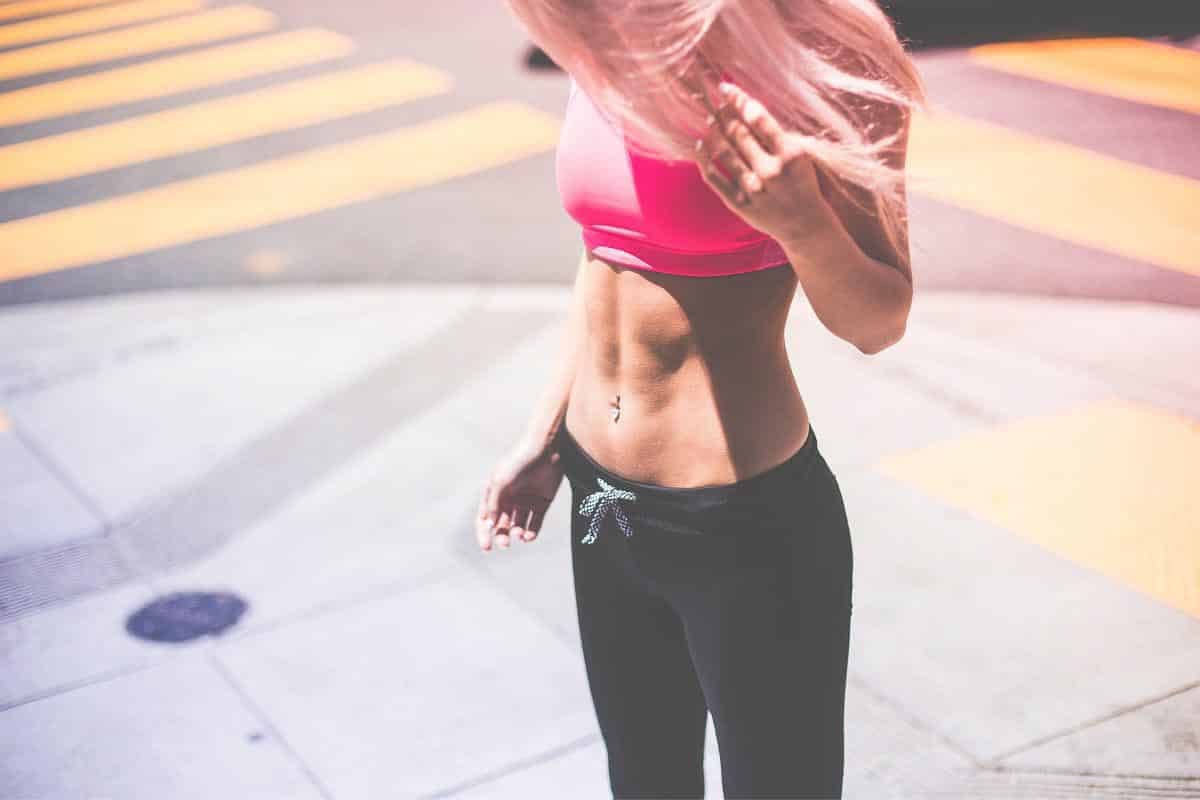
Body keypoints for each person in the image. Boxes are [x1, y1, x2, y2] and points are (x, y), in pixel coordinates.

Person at [478, 2, 926, 797]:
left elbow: (879, 322)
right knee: (644, 780)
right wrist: (543, 436)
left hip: (740, 523)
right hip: (600, 500)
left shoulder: (832, 48)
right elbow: (602, 265)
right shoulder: (601, 26)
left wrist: (802, 223)